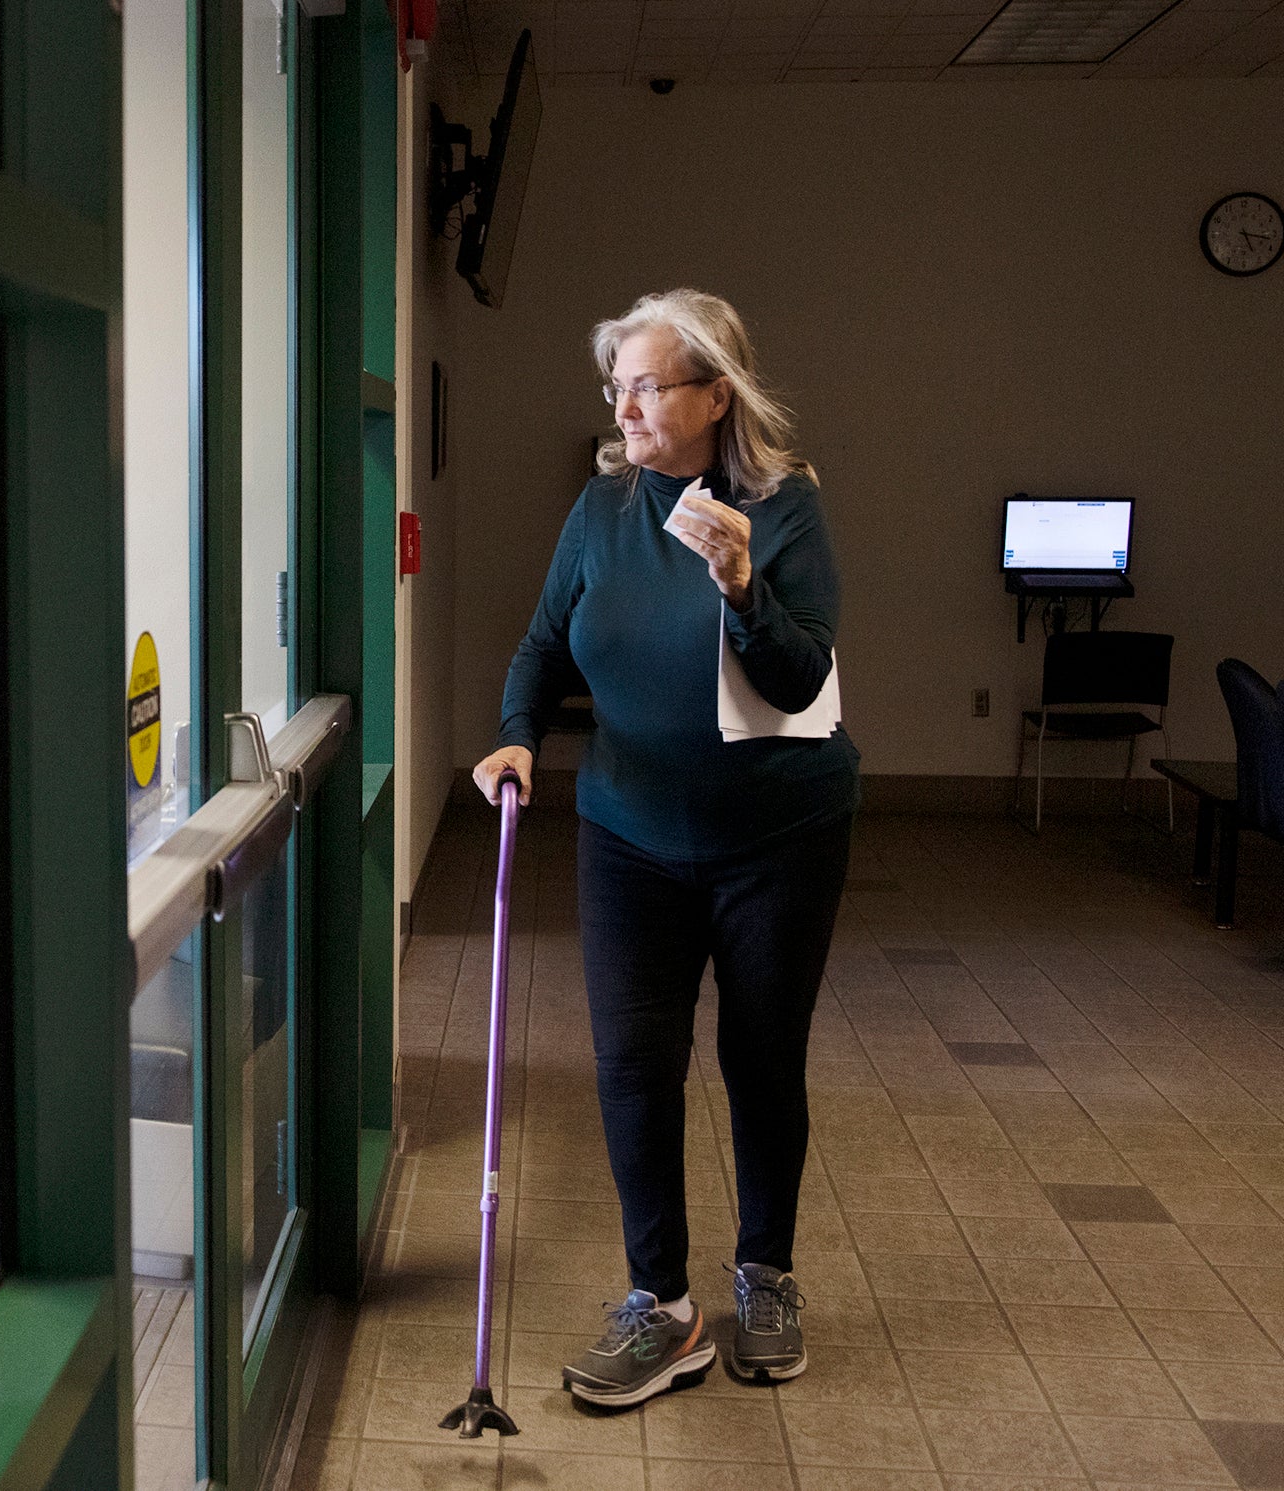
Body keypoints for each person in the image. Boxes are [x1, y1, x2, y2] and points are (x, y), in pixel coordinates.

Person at [472, 289, 858, 1408]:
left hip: (775, 834)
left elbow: (797, 677)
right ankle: (664, 1306)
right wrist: (512, 739)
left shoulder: (782, 511)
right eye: (617, 386)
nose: (624, 406)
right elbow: (543, 645)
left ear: (712, 396)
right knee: (633, 1063)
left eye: (646, 385)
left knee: (758, 1057)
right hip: (629, 830)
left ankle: (765, 1274)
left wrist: (739, 584)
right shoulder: (601, 511)